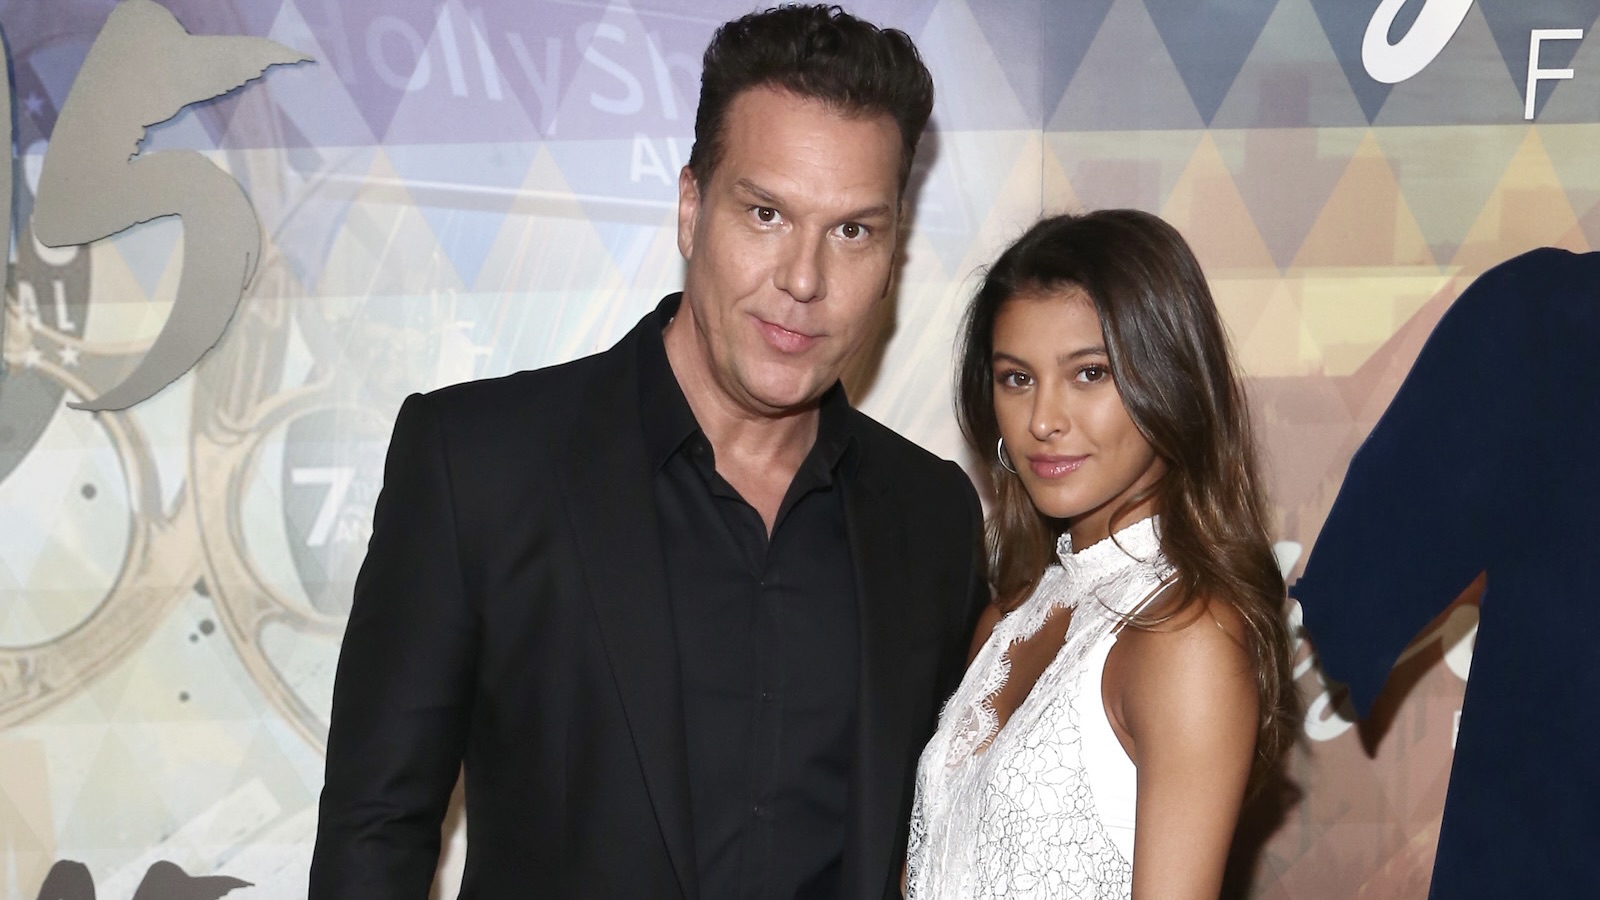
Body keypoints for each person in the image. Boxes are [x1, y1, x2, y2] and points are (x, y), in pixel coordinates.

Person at [307, 6, 988, 900]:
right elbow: (374, 835)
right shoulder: (479, 465)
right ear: (690, 208)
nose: (804, 279)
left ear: (893, 251)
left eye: (853, 230)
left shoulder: (932, 515)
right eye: (766, 212)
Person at [905, 210, 1295, 899]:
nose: (1044, 420)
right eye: (1016, 379)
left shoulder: (1185, 636)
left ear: (1169, 383)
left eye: (1089, 373)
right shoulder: (1011, 617)